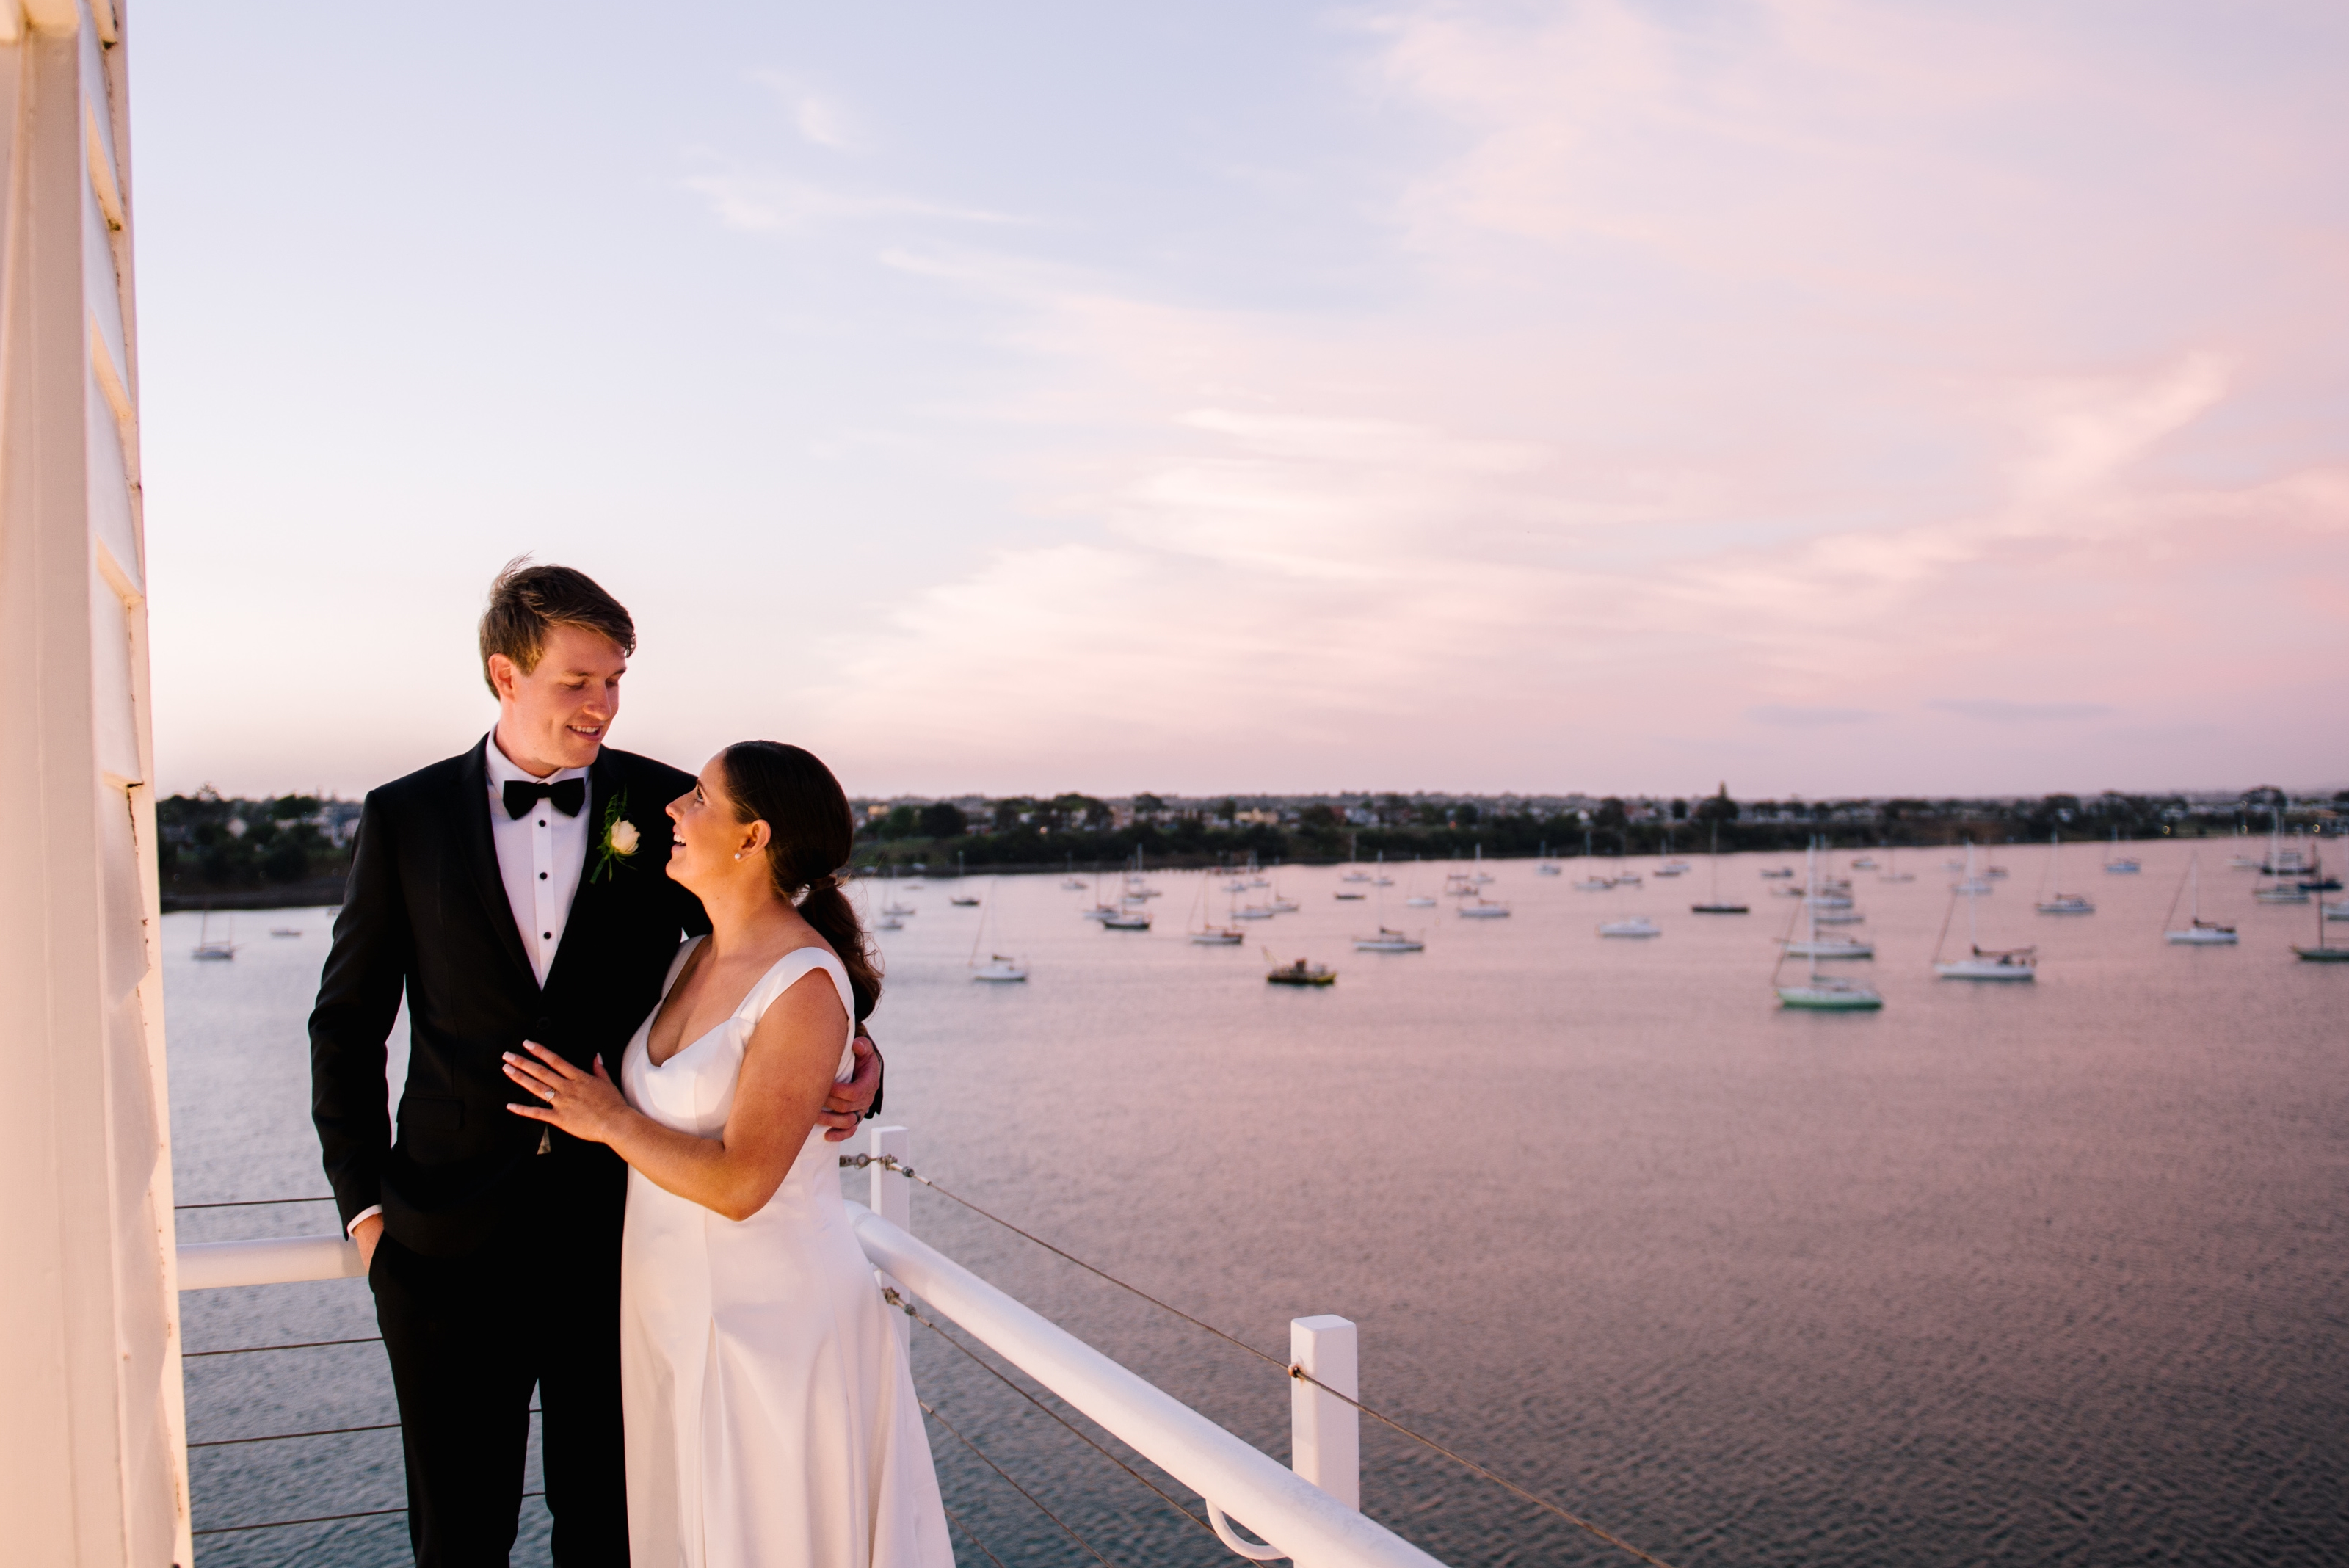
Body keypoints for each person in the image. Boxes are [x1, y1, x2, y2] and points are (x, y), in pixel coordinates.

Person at [309, 562, 882, 1567]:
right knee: (457, 1534)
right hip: (442, 1246)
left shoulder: (670, 806)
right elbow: (347, 1026)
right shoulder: (405, 818)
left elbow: (774, 941)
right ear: (505, 674)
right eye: (579, 681)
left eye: (616, 678)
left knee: (617, 1528)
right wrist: (366, 1211)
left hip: (619, 1242)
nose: (603, 704)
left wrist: (865, 1054)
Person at [502, 741, 952, 1567]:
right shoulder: (687, 957)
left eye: (699, 799)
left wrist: (606, 1119)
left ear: (753, 838)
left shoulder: (805, 985)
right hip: (670, 1315)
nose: (672, 810)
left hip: (769, 1328)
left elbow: (744, 1182)